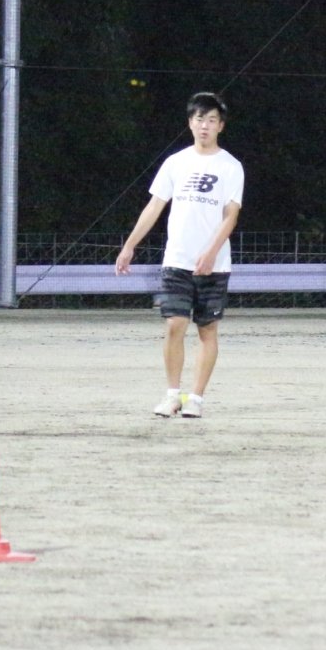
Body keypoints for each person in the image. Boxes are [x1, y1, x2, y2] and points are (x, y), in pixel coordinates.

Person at [114, 91, 245, 418]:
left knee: (207, 329)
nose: (205, 126)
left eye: (212, 120)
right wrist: (130, 245)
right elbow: (154, 206)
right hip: (176, 260)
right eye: (200, 119)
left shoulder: (231, 167)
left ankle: (196, 398)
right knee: (175, 324)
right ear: (190, 123)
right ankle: (172, 394)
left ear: (221, 126)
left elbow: (231, 215)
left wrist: (211, 253)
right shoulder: (176, 162)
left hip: (215, 264)